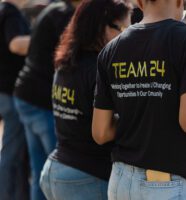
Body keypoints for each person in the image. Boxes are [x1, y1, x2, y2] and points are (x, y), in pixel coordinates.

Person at [92, 0, 186, 199]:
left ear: (139, 3)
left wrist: (140, 113)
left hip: (120, 181)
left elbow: (101, 132)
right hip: (167, 183)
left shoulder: (110, 49)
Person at [39, 0, 132, 199]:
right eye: (124, 28)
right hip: (85, 177)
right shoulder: (98, 70)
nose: (128, 36)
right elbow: (104, 131)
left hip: (56, 169)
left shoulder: (67, 63)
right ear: (101, 27)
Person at [13, 0, 75, 199]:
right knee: (54, 170)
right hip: (39, 97)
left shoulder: (53, 10)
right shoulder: (64, 15)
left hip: (26, 94)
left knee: (40, 167)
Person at [0, 0, 30, 199]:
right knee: (11, 154)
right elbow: (15, 45)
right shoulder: (10, 13)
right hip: (10, 93)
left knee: (14, 153)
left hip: (5, 92)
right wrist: (44, 38)